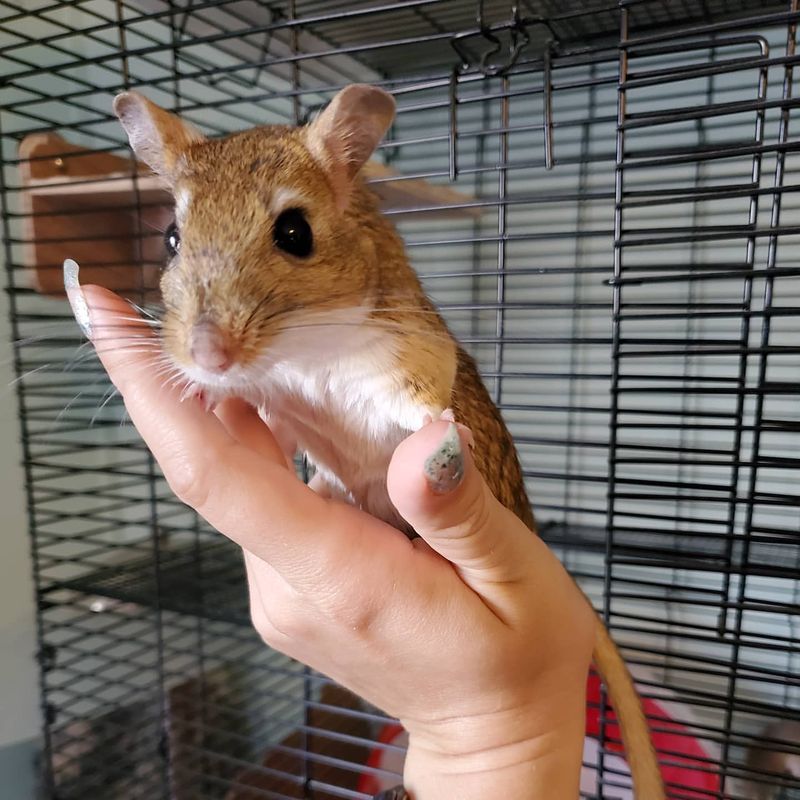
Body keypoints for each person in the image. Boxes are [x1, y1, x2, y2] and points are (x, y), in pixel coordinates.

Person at [72, 281, 595, 800]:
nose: (209, 345)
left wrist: (481, 737)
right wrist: (488, 736)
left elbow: (407, 370)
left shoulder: (367, 314)